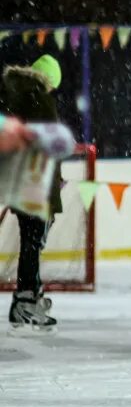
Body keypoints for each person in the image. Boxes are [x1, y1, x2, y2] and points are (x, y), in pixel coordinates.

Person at [2, 55, 66, 328]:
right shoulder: (40, 100)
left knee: (31, 241)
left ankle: (29, 296)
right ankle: (26, 301)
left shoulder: (16, 96)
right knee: (32, 243)